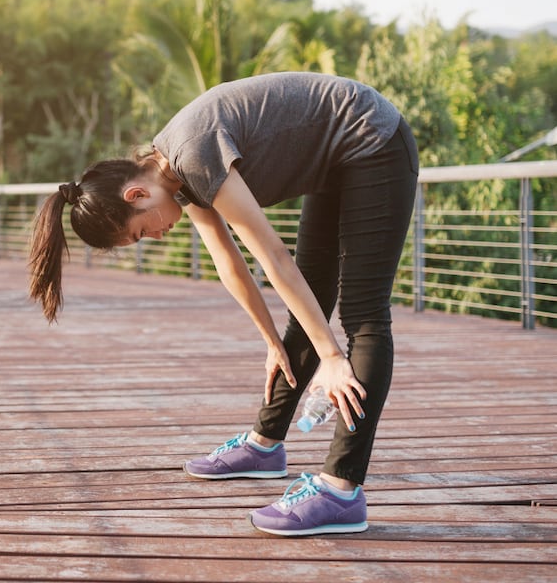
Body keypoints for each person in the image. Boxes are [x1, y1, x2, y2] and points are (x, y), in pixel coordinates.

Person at [28, 72, 419, 536]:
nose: (156, 236)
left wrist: (332, 357)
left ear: (137, 194)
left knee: (363, 315)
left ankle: (341, 490)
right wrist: (270, 340)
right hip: (336, 161)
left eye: (141, 231)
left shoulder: (191, 154)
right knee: (306, 311)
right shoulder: (175, 174)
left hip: (372, 140)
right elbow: (228, 262)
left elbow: (272, 255)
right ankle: (265, 446)